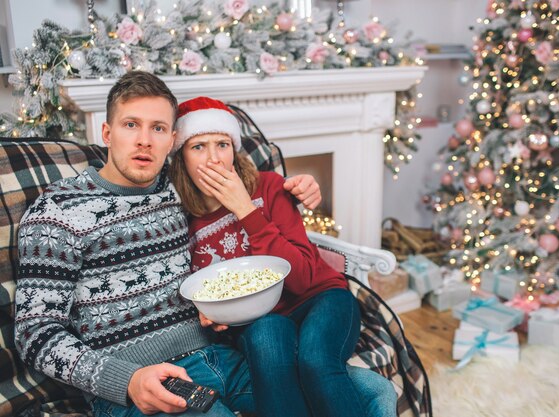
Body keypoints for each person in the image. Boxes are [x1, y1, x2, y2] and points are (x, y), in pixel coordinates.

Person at [13, 71, 323, 417]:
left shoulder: (180, 191)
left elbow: (249, 189)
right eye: (131, 125)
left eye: (158, 128)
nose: (144, 140)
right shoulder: (58, 211)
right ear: (107, 133)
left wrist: (295, 187)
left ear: (172, 139)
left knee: (367, 393)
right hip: (143, 382)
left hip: (221, 358)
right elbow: (34, 333)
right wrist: (126, 380)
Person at [169, 96, 398, 417]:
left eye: (222, 145)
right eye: (198, 147)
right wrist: (208, 314)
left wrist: (245, 210)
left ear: (233, 151)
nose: (214, 160)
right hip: (259, 321)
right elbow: (203, 292)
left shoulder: (270, 188)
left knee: (315, 360)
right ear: (180, 157)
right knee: (269, 339)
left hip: (321, 297)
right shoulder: (182, 223)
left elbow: (303, 278)